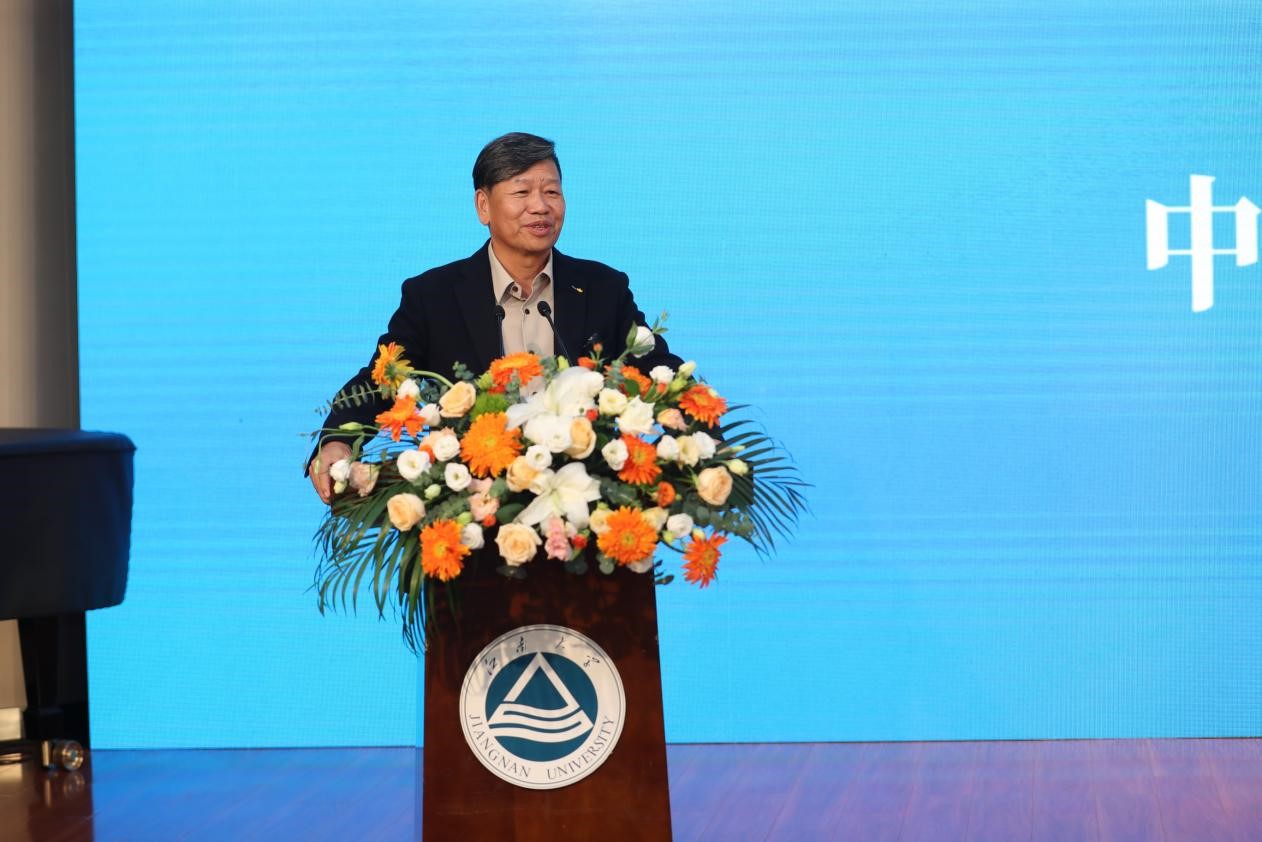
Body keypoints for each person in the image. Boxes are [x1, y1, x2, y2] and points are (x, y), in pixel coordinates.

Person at [308, 132, 681, 502]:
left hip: (582, 502)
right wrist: (337, 440)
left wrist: (698, 426)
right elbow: (381, 380)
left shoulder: (602, 288)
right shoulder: (433, 296)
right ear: (483, 206)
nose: (540, 206)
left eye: (552, 191)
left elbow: (655, 366)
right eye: (522, 192)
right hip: (472, 506)